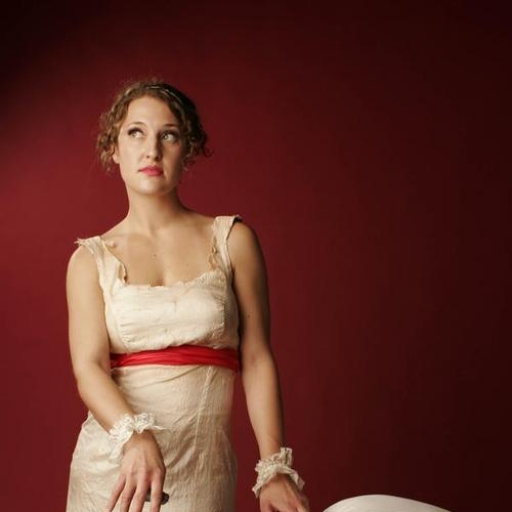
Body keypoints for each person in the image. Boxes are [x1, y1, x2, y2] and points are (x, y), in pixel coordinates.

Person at [65, 79, 309, 512]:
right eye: (135, 132)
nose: (151, 150)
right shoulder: (90, 260)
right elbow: (88, 369)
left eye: (169, 135)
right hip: (114, 472)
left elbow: (256, 358)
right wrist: (134, 436)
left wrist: (274, 468)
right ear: (114, 148)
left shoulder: (232, 240)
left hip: (203, 472)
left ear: (188, 149)